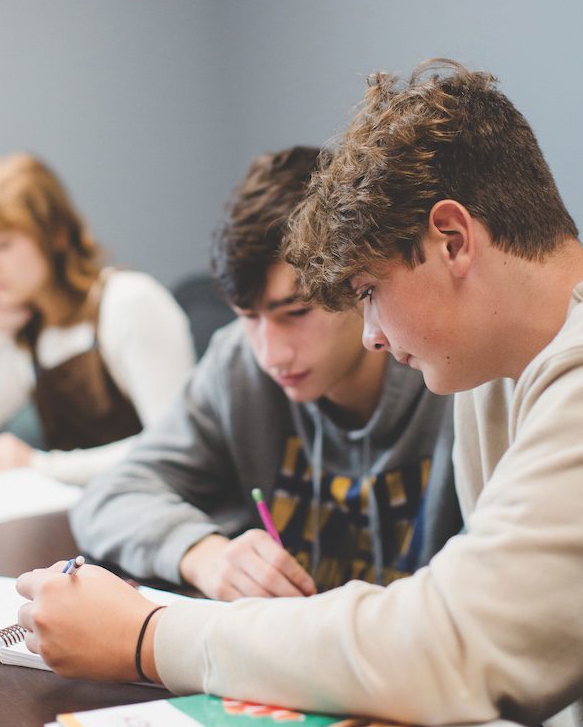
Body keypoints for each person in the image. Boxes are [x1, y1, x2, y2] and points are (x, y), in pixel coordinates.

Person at [16, 56, 583, 727]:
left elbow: (454, 638)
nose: (372, 332)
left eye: (368, 290)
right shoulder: (498, 366)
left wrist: (148, 636)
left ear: (452, 239)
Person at [67, 145, 460, 598]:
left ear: (358, 284)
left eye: (295, 312)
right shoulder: (237, 361)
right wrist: (202, 553)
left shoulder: (451, 371)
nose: (271, 354)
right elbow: (109, 496)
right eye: (248, 316)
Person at [0, 153, 195, 485]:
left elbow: (178, 449)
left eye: (2, 245)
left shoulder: (128, 301)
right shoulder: (29, 333)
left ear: (57, 235)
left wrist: (37, 465)